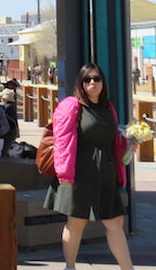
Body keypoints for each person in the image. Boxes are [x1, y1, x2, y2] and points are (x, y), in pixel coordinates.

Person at [44, 63, 133, 270]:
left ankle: (128, 268)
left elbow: (112, 141)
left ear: (103, 82)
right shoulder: (73, 106)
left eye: (96, 79)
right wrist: (64, 172)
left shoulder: (107, 108)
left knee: (114, 222)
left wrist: (128, 144)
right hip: (79, 172)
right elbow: (63, 141)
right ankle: (70, 266)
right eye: (87, 79)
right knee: (76, 222)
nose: (92, 82)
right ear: (81, 83)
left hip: (105, 173)